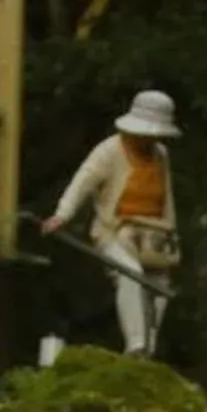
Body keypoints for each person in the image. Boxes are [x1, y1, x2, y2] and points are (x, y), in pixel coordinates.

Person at [41, 90, 182, 358]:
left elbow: (167, 197)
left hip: (153, 234)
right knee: (130, 274)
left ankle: (147, 350)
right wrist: (62, 214)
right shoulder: (109, 151)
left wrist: (171, 237)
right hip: (115, 232)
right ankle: (136, 343)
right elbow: (83, 181)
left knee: (160, 285)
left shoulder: (161, 154)